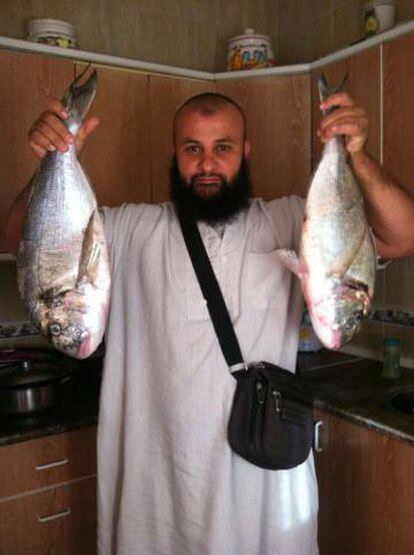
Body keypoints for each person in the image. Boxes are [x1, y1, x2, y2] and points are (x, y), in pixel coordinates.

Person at [7, 89, 414, 555]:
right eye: (192, 148)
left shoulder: (292, 219)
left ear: (245, 152)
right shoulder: (130, 229)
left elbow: (401, 235)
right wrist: (51, 165)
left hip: (265, 487)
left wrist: (358, 157)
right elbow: (25, 244)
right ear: (174, 153)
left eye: (222, 148)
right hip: (155, 495)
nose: (206, 164)